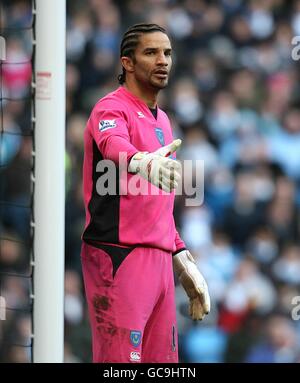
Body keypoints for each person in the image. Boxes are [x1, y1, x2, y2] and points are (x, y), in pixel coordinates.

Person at [81, 23, 210, 363]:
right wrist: (141, 161)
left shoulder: (164, 121)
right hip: (119, 256)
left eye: (166, 52)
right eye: (151, 53)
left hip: (159, 263)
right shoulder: (110, 108)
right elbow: (113, 146)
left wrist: (180, 257)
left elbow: (158, 204)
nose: (162, 60)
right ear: (127, 62)